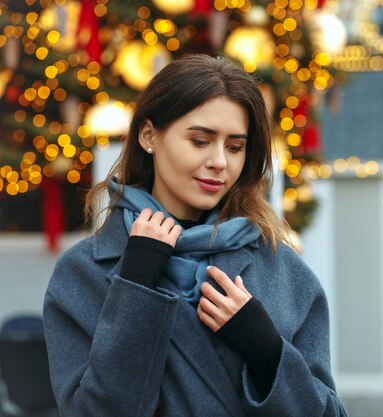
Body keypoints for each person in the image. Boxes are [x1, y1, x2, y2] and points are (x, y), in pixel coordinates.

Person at [43, 54, 348, 417]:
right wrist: (136, 285)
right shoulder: (82, 274)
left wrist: (267, 352)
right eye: (201, 141)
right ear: (148, 136)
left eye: (235, 147)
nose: (220, 161)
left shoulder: (281, 269)